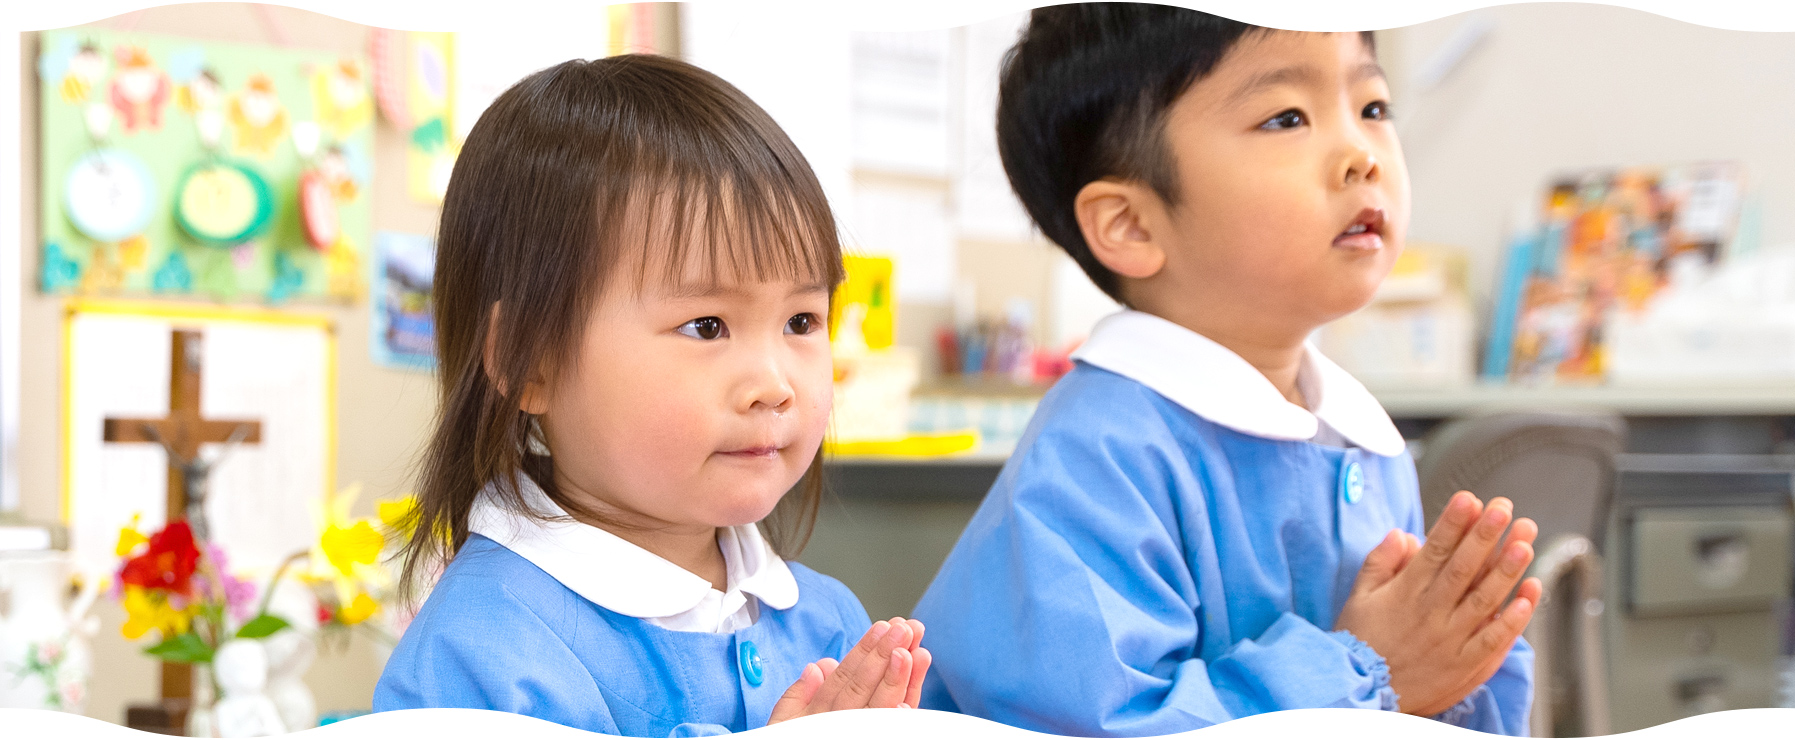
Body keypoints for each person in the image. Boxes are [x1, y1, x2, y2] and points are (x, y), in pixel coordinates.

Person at [912, 6, 1541, 736]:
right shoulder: (1099, 457)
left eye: (1372, 106)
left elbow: (1416, 686)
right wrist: (1369, 671)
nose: (1362, 154)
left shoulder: (1362, 442)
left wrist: (1456, 659)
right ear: (1131, 225)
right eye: (1286, 119)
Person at [372, 54, 931, 736]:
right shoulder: (480, 657)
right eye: (707, 326)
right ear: (529, 360)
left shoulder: (831, 623)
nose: (775, 385)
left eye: (802, 321)